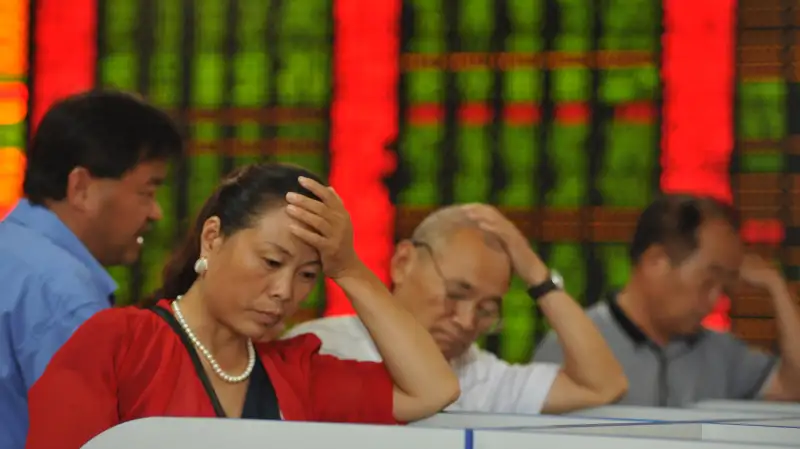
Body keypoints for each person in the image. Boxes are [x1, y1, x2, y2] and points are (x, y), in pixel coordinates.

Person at [25, 163, 460, 449]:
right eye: (271, 262)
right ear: (212, 237)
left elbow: (431, 390)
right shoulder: (121, 342)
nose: (284, 291)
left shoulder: (294, 373)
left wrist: (349, 269)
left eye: (308, 275)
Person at [287, 204, 627, 414]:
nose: (466, 322)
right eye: (455, 293)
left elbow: (602, 384)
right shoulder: (322, 349)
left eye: (486, 310)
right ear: (403, 262)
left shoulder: (479, 375)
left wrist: (536, 273)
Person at [0, 91, 182, 449]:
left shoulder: (13, 250)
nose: (155, 213)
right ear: (81, 187)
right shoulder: (63, 291)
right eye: (148, 191)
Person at [534, 194, 800, 406]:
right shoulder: (571, 345)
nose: (715, 300)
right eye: (708, 281)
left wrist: (777, 287)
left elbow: (793, 388)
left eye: (724, 287)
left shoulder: (720, 353)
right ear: (656, 262)